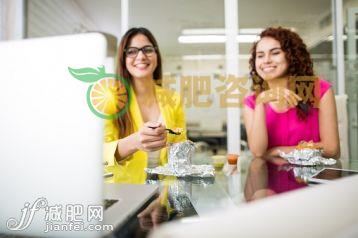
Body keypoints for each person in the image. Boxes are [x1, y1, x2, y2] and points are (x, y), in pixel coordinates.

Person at [103, 27, 186, 183]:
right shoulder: (110, 98)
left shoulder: (173, 98)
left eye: (147, 49)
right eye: (132, 51)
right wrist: (135, 142)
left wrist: (164, 198)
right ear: (123, 58)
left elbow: (180, 149)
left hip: (164, 193)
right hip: (125, 193)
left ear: (156, 55)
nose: (141, 56)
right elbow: (99, 155)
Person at [243, 27, 340, 159]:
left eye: (275, 53)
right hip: (272, 178)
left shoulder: (319, 90)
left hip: (314, 177)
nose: (266, 60)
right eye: (260, 55)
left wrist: (278, 151)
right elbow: (258, 152)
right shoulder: (252, 102)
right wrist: (260, 102)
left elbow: (331, 148)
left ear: (291, 56)